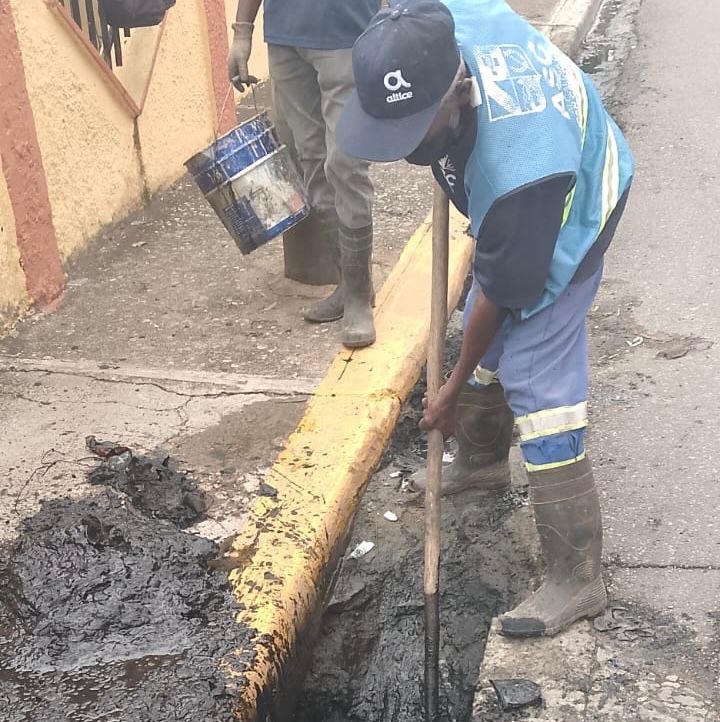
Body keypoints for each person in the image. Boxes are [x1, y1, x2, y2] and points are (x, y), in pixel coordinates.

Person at [336, 0, 634, 638]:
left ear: (456, 92)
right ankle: (481, 462)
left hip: (577, 196)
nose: (401, 146)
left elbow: (502, 292)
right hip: (515, 193)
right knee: (484, 318)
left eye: (413, 128)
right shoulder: (435, 27)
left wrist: (448, 388)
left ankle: (578, 576)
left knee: (533, 370)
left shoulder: (521, 172)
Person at [227, 0, 380, 348]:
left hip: (347, 32)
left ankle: (358, 299)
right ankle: (349, 284)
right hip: (286, 38)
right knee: (312, 159)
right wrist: (242, 33)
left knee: (346, 162)